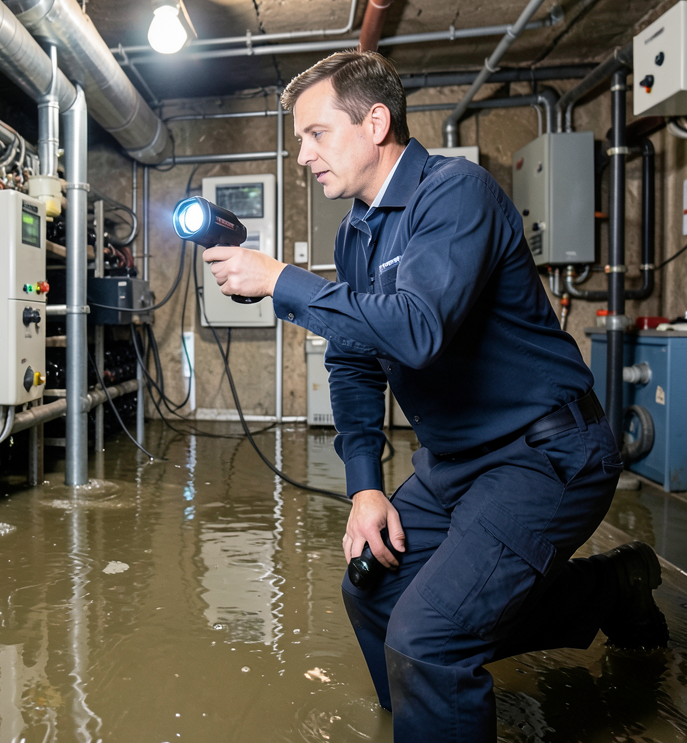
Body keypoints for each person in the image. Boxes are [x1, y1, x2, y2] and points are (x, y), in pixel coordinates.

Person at [201, 50, 669, 741]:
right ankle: (602, 594)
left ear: (375, 123)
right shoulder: (357, 233)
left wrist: (280, 280)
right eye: (301, 139)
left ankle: (467, 666)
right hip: (456, 464)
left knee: (428, 637)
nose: (303, 155)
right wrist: (365, 487)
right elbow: (355, 362)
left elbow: (417, 331)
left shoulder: (455, 193)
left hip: (547, 455)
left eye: (316, 133)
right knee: (374, 590)